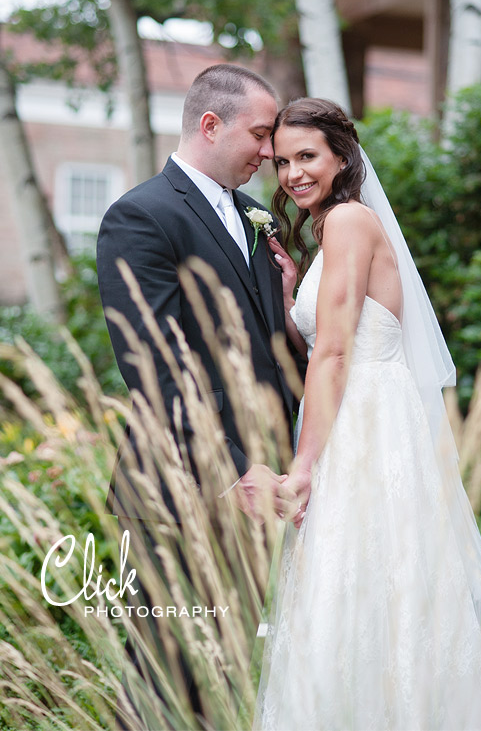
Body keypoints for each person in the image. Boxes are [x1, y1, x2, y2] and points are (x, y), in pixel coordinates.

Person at [253, 97, 481, 730]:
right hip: (361, 409)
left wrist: (304, 465)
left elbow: (338, 352)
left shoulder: (346, 220)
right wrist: (293, 294)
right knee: (371, 585)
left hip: (363, 421)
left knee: (359, 583)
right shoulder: (334, 228)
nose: (293, 174)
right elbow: (328, 340)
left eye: (308, 157)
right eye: (284, 161)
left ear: (342, 155)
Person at [96, 64, 300, 728]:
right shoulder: (140, 215)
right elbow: (154, 365)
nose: (269, 152)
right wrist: (234, 466)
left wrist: (291, 301)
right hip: (178, 491)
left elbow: (271, 357)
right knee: (166, 673)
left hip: (259, 485)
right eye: (260, 133)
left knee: (230, 670)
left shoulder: (252, 216)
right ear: (210, 125)